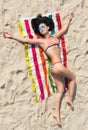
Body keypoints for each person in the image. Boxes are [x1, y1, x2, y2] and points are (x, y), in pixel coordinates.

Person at [2, 12, 76, 126]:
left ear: (48, 27)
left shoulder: (55, 36)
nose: (41, 29)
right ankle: (70, 98)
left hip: (53, 68)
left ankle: (56, 114)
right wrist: (11, 35)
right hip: (57, 65)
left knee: (60, 90)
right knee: (73, 78)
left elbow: (64, 29)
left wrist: (69, 19)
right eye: (39, 28)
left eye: (42, 27)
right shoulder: (42, 41)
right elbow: (26, 40)